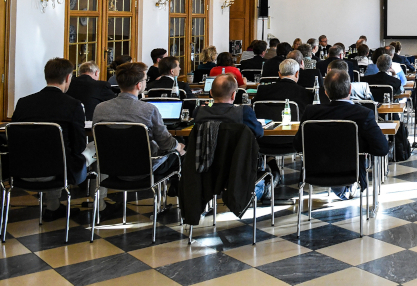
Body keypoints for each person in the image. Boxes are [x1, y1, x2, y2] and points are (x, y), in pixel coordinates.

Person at [12, 58, 96, 220]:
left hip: (22, 168)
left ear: (46, 76)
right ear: (67, 78)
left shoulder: (23, 103)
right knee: (96, 148)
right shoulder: (73, 105)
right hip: (60, 170)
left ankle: (54, 206)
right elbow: (79, 146)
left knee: (50, 152)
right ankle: (99, 204)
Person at [295, 69, 390, 193]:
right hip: (351, 172)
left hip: (315, 172)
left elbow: (298, 145)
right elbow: (382, 148)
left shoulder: (311, 112)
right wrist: (361, 147)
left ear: (326, 92)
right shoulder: (363, 114)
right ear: (350, 89)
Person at [93, 62, 185, 191]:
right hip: (145, 169)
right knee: (180, 152)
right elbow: (166, 143)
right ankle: (177, 199)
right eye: (145, 79)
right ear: (139, 85)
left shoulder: (100, 108)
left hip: (111, 168)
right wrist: (179, 146)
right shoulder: (148, 109)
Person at [195, 74, 268, 200]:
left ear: (211, 93)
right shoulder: (244, 112)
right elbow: (259, 133)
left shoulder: (199, 112)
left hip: (206, 167)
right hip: (238, 166)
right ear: (234, 95)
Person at [368, 54, 417, 124]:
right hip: (390, 103)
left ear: (377, 65)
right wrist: (394, 74)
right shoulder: (394, 81)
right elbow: (400, 91)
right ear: (390, 66)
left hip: (371, 105)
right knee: (416, 91)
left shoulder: (366, 79)